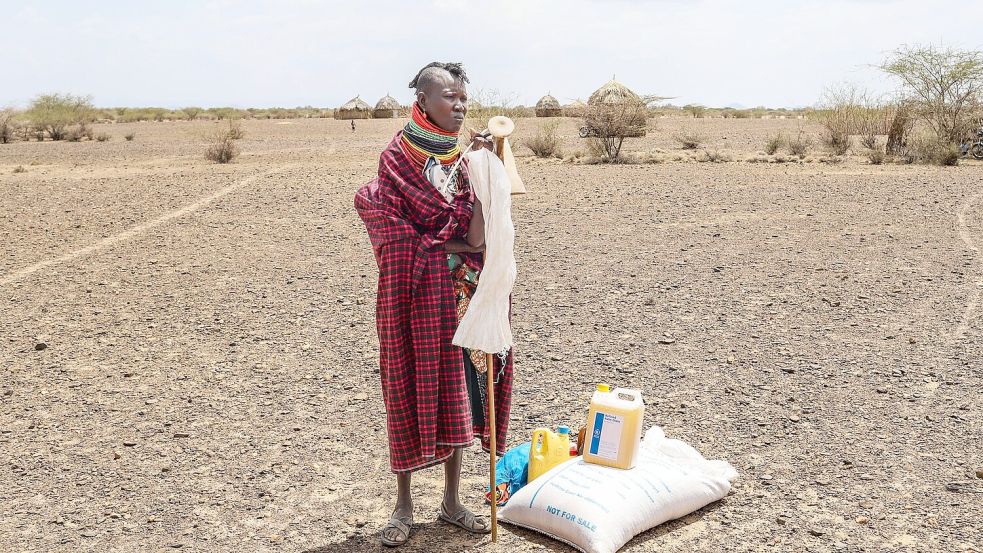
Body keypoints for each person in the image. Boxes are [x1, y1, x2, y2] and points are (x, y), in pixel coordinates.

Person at [354, 62, 514, 547]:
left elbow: (476, 234)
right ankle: (403, 507)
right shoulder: (396, 158)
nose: (460, 104)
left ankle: (451, 502)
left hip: (464, 296)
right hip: (414, 295)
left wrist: (488, 171)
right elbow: (382, 217)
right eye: (449, 96)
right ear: (422, 100)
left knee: (460, 391)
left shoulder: (466, 159)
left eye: (464, 96)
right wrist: (435, 248)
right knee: (409, 384)